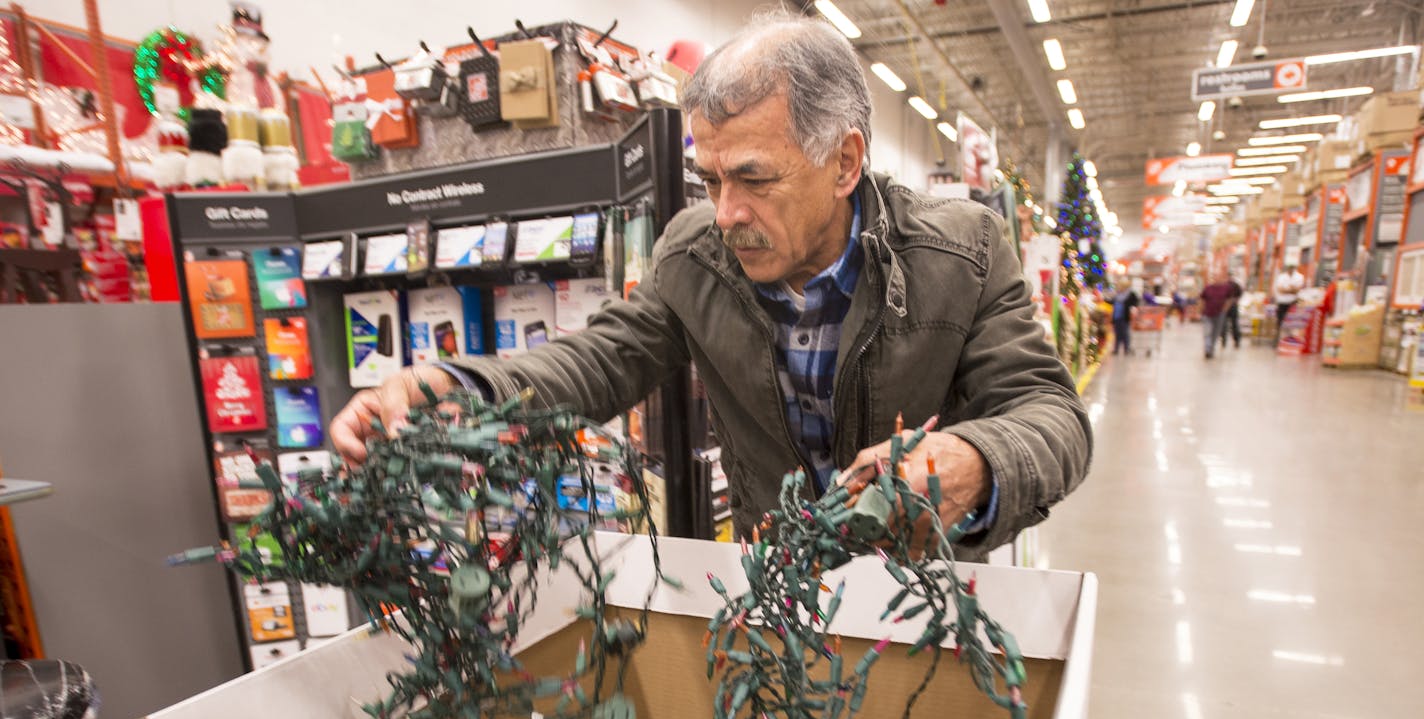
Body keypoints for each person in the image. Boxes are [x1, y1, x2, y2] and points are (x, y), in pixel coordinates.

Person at [330, 12, 1092, 563]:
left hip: (924, 598)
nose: (726, 212)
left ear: (844, 161)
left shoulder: (959, 252)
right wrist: (452, 384)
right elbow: (596, 362)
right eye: (711, 178)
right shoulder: (694, 253)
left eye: (754, 178)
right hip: (777, 587)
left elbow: (1053, 414)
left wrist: (977, 458)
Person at [1199, 276, 1241, 359]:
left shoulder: (1228, 288)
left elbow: (1231, 298)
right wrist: (1201, 310)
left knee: (1216, 331)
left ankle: (1212, 347)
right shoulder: (1208, 288)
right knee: (1207, 331)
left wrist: (1224, 309)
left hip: (1220, 314)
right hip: (1208, 313)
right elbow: (1202, 298)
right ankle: (1208, 349)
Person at [1273, 264, 1305, 344]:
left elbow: (1297, 289)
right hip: (1282, 302)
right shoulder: (1281, 277)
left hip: (1293, 302)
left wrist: (1287, 289)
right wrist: (1291, 289)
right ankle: (1279, 340)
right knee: (1280, 322)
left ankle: (1292, 340)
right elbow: (1280, 289)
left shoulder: (1299, 277)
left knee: (1293, 323)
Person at [1111, 282, 1140, 356]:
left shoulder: (1130, 294)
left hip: (1124, 317)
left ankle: (1126, 349)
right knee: (1117, 334)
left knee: (1125, 333)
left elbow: (1136, 301)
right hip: (1116, 316)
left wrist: (1133, 308)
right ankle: (1116, 349)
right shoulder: (1117, 295)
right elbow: (1112, 302)